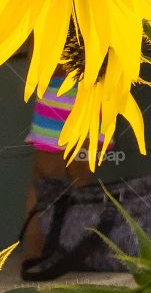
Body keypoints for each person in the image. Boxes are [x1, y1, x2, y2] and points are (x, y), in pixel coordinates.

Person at [20, 66, 97, 270]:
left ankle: (75, 249)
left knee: (81, 181)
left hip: (96, 97)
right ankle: (35, 250)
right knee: (45, 179)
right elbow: (35, 61)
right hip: (57, 94)